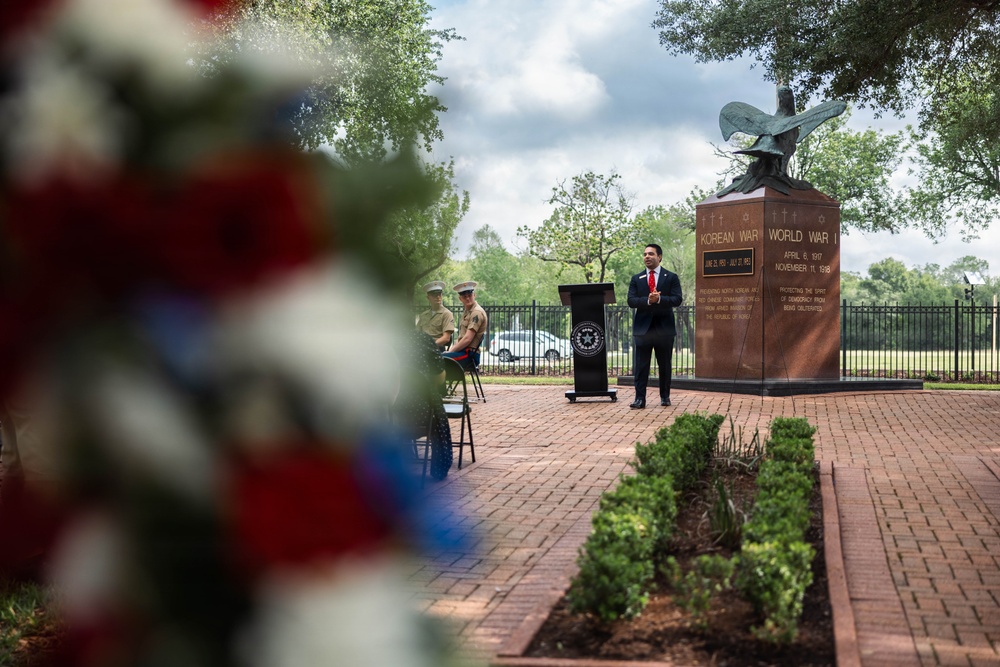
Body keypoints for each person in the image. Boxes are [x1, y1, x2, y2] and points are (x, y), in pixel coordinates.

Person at [627, 243, 683, 409]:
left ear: (659, 257)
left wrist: (659, 299)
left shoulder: (670, 277)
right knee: (641, 366)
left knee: (664, 365)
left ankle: (665, 396)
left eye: (651, 254)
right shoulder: (636, 279)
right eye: (645, 254)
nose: (647, 257)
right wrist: (647, 300)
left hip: (664, 329)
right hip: (643, 330)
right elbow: (631, 301)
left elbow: (677, 299)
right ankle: (639, 399)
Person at [443, 281, 487, 371]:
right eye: (464, 296)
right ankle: (441, 384)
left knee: (437, 360)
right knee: (436, 358)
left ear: (474, 295)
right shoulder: (468, 311)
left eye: (470, 295)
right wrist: (451, 350)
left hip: (469, 355)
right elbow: (461, 337)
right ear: (460, 299)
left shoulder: (476, 312)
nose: (468, 298)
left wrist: (451, 351)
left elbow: (467, 339)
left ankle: (438, 385)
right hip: (463, 352)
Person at [415, 280, 456, 350]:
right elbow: (417, 334)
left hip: (437, 348)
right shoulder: (423, 315)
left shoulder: (446, 314)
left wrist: (430, 346)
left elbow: (446, 338)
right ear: (428, 298)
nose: (438, 297)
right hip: (422, 348)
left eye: (439, 294)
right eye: (434, 295)